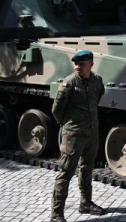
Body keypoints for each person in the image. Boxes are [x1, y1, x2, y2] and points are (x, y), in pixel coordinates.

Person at [50, 50, 106, 222]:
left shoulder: (97, 81)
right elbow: (56, 110)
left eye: (81, 64)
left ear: (91, 63)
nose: (77, 67)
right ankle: (57, 215)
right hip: (73, 136)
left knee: (87, 169)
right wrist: (69, 127)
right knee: (65, 173)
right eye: (75, 63)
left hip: (91, 133)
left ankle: (86, 203)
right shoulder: (69, 84)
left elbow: (98, 99)